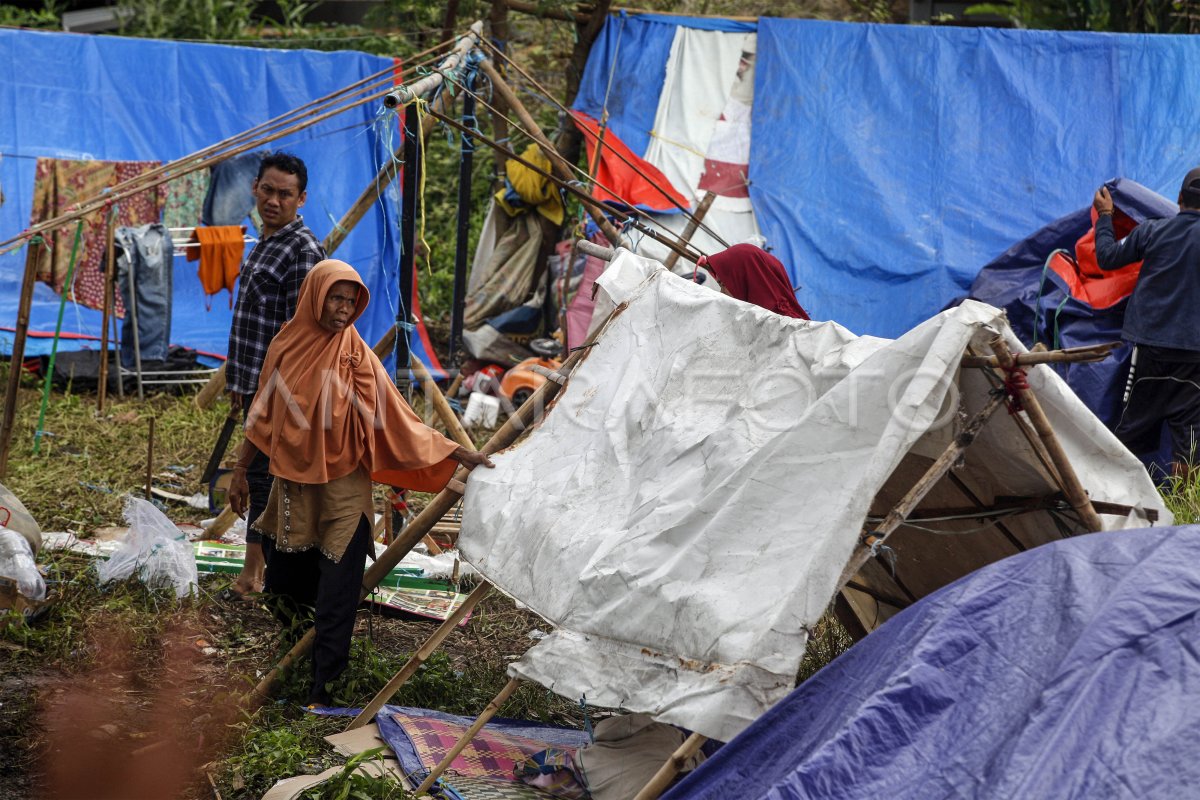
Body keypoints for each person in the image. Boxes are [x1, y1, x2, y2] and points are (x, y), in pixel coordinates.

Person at [227, 259, 493, 706]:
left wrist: (455, 451)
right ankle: (296, 652)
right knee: (282, 587)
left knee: (339, 589)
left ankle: (324, 690)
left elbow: (396, 417)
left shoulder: (355, 354)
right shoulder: (286, 346)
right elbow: (263, 412)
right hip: (294, 483)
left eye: (352, 302)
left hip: (346, 485)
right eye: (336, 298)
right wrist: (239, 469)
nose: (344, 309)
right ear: (315, 296)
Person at [225, 152, 326, 596]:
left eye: (285, 194)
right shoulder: (266, 241)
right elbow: (252, 322)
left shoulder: (302, 250)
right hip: (253, 381)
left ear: (301, 199)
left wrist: (269, 394)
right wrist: (239, 384)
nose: (274, 200)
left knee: (263, 475)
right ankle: (261, 570)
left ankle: (253, 575)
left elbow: (299, 337)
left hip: (278, 387)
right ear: (255, 188)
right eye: (267, 190)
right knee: (261, 474)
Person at [1094, 169, 1200, 473]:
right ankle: (1187, 514)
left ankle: (1115, 495)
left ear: (1179, 199)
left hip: (1151, 350)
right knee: (1190, 444)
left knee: (1129, 434)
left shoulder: (1152, 231)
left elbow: (1107, 257)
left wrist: (1105, 216)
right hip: (1195, 357)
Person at [700, 243, 810, 319]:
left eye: (724, 284)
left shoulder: (783, 327)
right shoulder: (755, 319)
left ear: (747, 281)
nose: (722, 292)